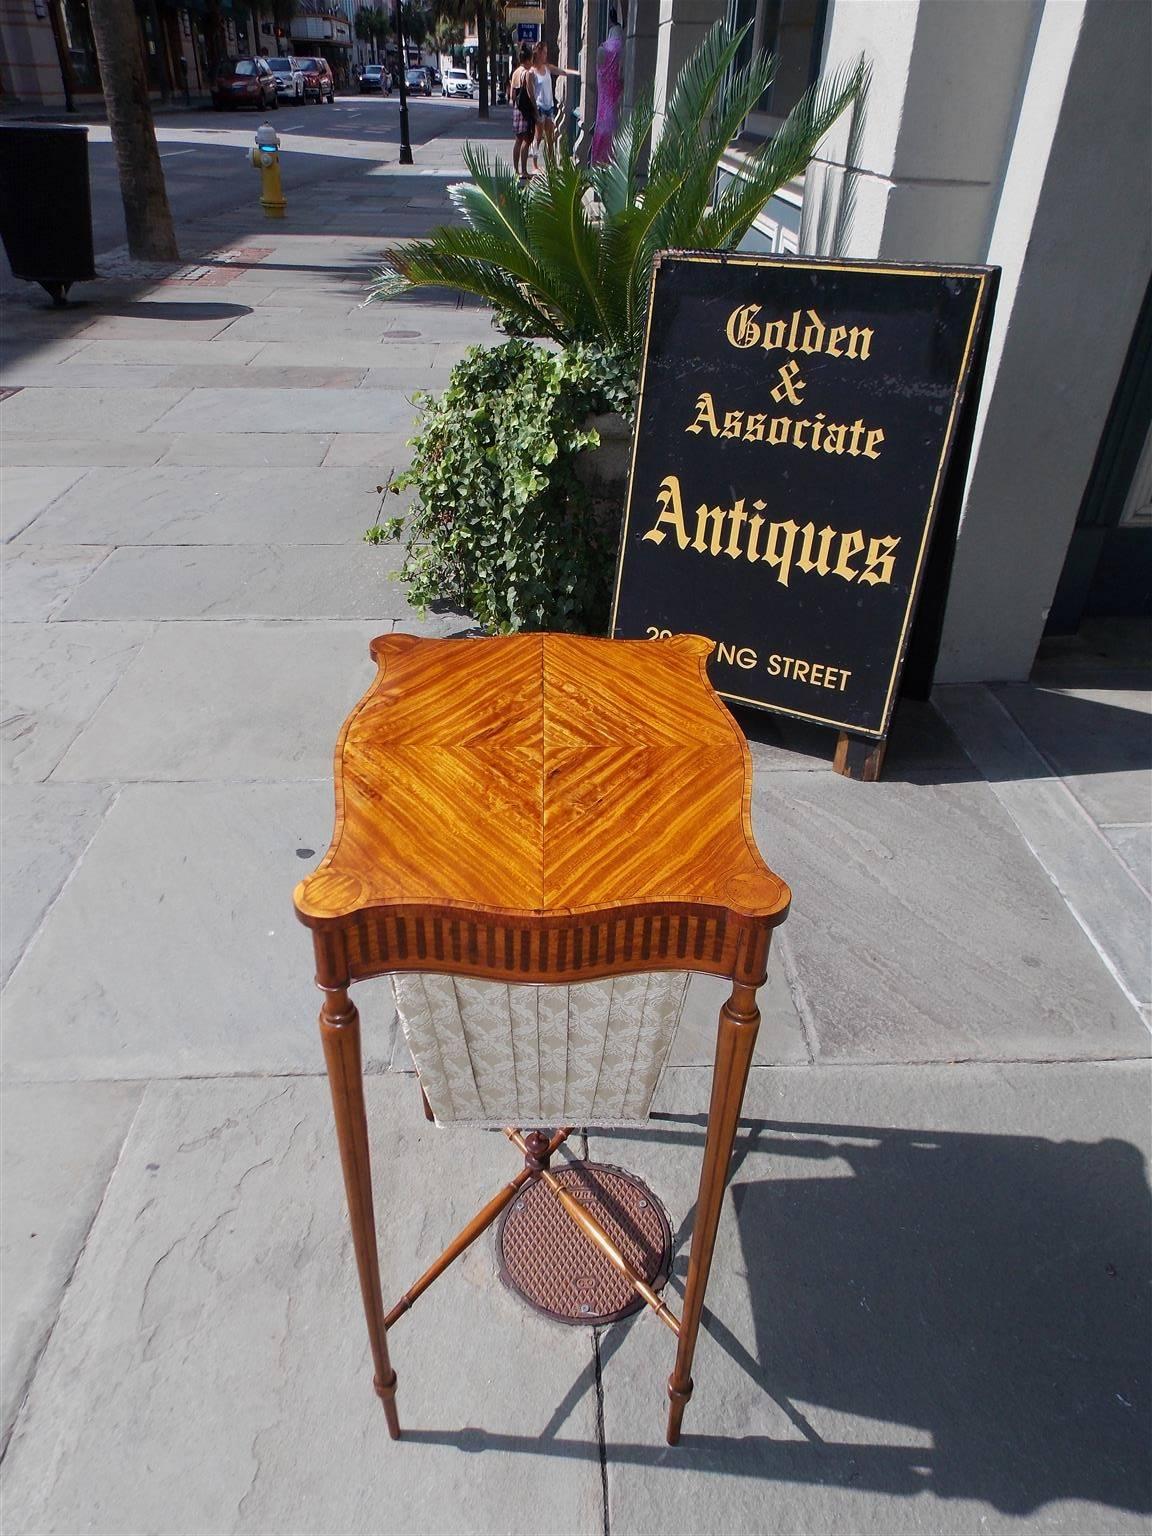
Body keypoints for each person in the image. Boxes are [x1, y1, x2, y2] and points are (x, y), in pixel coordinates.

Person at [530, 41, 579, 172]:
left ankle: (551, 164)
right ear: (538, 53)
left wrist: (577, 73)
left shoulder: (547, 68)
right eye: (544, 52)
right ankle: (534, 164)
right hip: (539, 107)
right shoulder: (532, 72)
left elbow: (561, 71)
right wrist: (533, 108)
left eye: (546, 52)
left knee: (550, 137)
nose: (546, 55)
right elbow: (531, 91)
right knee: (538, 136)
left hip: (549, 106)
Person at [510, 41, 536, 181]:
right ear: (529, 58)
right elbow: (531, 94)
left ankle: (515, 169)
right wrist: (535, 110)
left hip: (517, 108)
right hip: (526, 110)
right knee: (527, 139)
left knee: (518, 139)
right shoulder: (527, 73)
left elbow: (512, 96)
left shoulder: (515, 73)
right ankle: (524, 170)